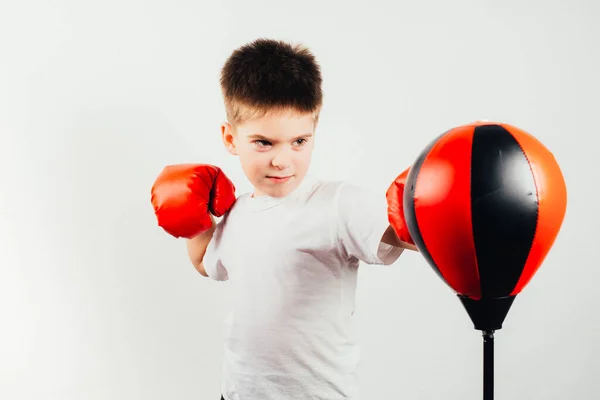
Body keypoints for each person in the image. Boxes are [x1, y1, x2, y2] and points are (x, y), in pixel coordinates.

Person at [151, 38, 418, 400]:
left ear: (313, 134)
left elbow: (406, 235)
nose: (282, 160)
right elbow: (205, 263)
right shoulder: (236, 212)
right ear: (231, 138)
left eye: (298, 142)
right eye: (264, 142)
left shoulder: (337, 203)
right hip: (239, 392)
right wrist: (192, 222)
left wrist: (429, 210)